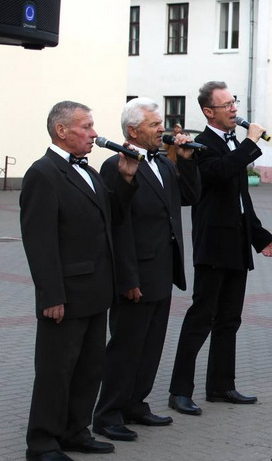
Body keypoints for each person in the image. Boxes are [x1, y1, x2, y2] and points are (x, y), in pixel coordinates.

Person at [21, 101, 139, 461]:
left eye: (92, 126)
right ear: (62, 131)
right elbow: (39, 242)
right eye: (86, 127)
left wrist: (127, 178)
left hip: (95, 290)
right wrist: (50, 295)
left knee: (89, 369)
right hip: (66, 295)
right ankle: (42, 444)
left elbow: (111, 219)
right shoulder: (43, 173)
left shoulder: (88, 171)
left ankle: (75, 431)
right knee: (56, 372)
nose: (94, 133)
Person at [168, 81, 272, 415]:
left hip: (235, 246)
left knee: (230, 320)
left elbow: (240, 198)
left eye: (234, 103)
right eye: (227, 105)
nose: (234, 109)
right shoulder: (200, 145)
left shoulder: (232, 145)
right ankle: (179, 390)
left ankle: (221, 385)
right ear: (208, 112)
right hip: (213, 245)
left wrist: (260, 237)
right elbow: (219, 174)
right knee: (200, 318)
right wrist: (250, 144)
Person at [92, 99, 200, 441]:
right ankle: (108, 414)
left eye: (161, 123)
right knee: (126, 346)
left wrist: (186, 163)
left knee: (151, 344)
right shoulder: (116, 165)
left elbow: (190, 197)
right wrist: (127, 277)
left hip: (162, 269)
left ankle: (136, 404)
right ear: (133, 131)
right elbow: (117, 224)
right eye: (155, 125)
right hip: (136, 272)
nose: (162, 130)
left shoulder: (164, 164)